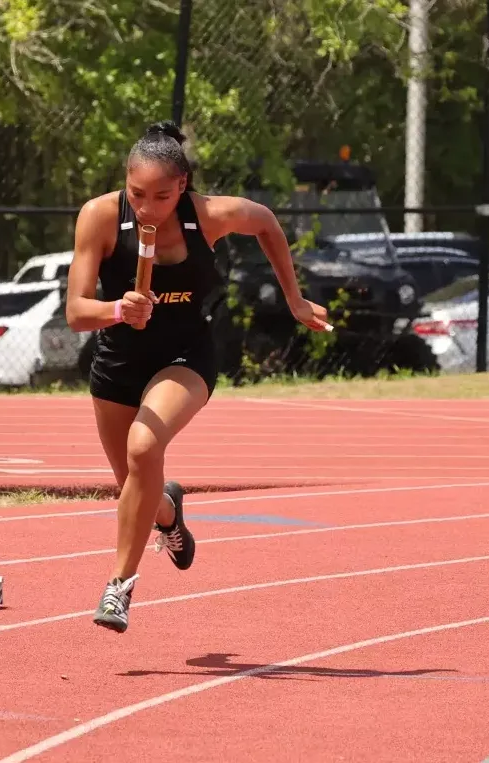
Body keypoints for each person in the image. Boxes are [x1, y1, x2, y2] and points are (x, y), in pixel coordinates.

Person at [67, 121, 332, 633]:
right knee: (134, 489)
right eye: (137, 194)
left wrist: (294, 298)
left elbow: (268, 223)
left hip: (184, 356)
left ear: (183, 186)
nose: (147, 208)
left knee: (144, 448)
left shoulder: (210, 216)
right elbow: (77, 313)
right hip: (118, 362)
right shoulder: (100, 217)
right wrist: (119, 309)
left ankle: (118, 588)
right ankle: (168, 511)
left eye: (161, 196)